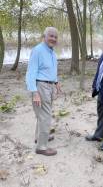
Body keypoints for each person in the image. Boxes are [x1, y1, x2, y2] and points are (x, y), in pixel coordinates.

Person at [26, 27, 61, 156]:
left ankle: (39, 138)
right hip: (40, 87)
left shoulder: (52, 52)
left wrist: (56, 82)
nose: (53, 39)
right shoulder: (38, 50)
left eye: (55, 37)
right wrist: (34, 92)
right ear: (44, 36)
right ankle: (41, 147)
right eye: (51, 36)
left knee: (42, 115)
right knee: (45, 117)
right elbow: (31, 73)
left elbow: (50, 70)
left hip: (49, 87)